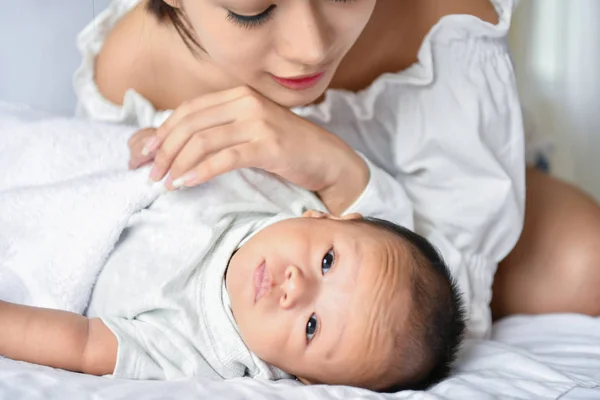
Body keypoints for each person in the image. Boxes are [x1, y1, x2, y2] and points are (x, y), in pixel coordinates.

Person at [74, 0, 600, 334]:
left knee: (587, 265)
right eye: (255, 10)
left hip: (440, 187)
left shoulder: (442, 21)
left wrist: (335, 171)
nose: (312, 48)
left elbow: (435, 312)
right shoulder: (135, 65)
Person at [0, 138, 466, 392]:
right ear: (325, 216)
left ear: (298, 376)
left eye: (311, 327)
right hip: (74, 171)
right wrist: (161, 138)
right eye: (327, 260)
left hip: (50, 249)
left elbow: (79, 344)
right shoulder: (271, 188)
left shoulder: (200, 350)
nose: (295, 287)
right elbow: (200, 137)